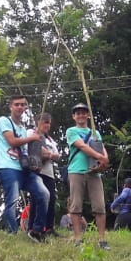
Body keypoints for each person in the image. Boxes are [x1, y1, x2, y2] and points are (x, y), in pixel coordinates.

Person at [0, 95, 50, 240]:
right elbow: (12, 141)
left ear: (25, 108)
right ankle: (11, 232)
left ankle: (37, 230)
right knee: (12, 199)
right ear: (11, 107)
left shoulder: (22, 128)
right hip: (7, 166)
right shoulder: (4, 121)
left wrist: (35, 163)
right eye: (17, 104)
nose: (20, 107)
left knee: (44, 193)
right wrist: (32, 138)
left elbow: (25, 150)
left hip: (24, 169)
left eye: (23, 105)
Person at [66, 103, 111, 249]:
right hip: (76, 171)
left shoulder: (95, 133)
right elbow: (82, 147)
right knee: (76, 205)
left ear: (88, 115)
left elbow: (103, 149)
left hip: (94, 172)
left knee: (99, 205)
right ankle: (78, 238)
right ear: (74, 116)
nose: (81, 115)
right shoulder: (71, 131)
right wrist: (100, 156)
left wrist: (105, 160)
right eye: (77, 113)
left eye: (83, 112)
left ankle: (102, 239)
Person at [31, 112, 62, 236]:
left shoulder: (50, 139)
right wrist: (50, 154)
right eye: (45, 122)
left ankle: (49, 227)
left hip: (49, 173)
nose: (47, 125)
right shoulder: (32, 133)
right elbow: (37, 150)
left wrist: (48, 154)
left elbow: (57, 155)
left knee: (51, 199)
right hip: (37, 171)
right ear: (37, 122)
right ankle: (32, 227)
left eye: (49, 123)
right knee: (37, 199)